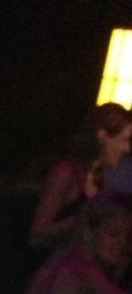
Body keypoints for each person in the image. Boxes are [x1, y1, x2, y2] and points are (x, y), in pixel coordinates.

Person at [29, 102, 132, 252]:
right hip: (58, 261)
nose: (127, 148)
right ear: (102, 136)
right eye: (124, 140)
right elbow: (37, 234)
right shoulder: (66, 172)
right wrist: (86, 214)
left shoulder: (102, 173)